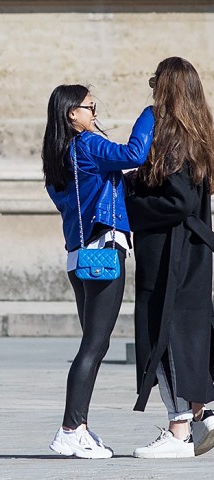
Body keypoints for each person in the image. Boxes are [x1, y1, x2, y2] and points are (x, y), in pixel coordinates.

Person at [41, 84, 154, 458]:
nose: (95, 113)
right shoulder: (87, 144)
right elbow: (134, 153)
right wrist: (149, 116)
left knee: (93, 342)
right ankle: (71, 428)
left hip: (79, 255)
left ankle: (79, 427)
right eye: (90, 106)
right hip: (103, 251)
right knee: (94, 344)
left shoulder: (58, 155)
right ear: (71, 113)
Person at [126, 57, 214, 459]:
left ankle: (179, 430)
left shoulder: (172, 134)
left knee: (161, 331)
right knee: (192, 331)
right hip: (193, 250)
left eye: (155, 82)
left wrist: (130, 197)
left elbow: (176, 200)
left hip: (170, 250)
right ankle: (201, 414)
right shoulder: (200, 132)